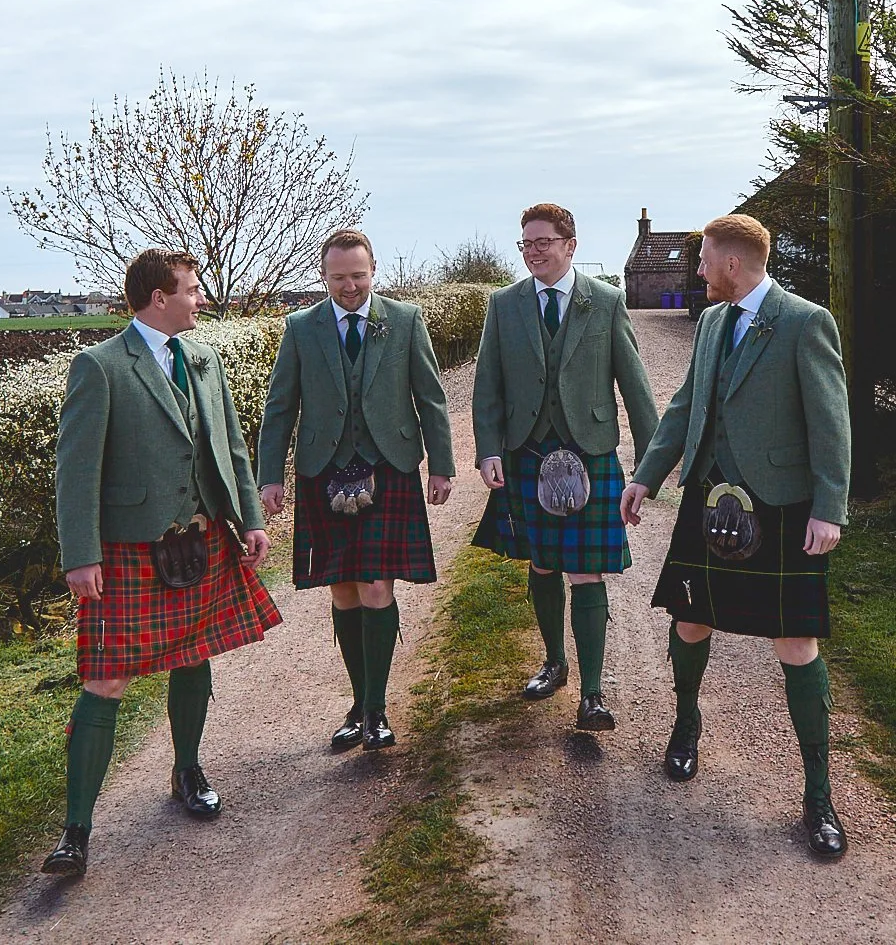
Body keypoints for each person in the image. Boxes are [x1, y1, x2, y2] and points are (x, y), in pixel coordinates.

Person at [621, 214, 854, 857]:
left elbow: (831, 423)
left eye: (702, 261)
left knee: (796, 640)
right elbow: (685, 406)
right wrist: (647, 476)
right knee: (690, 619)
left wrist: (828, 508)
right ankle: (686, 720)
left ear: (730, 263)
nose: (696, 271)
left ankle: (818, 793)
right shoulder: (712, 322)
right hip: (707, 494)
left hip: (779, 501)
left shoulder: (805, 322)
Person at [45, 248, 281, 877]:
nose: (201, 297)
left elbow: (229, 442)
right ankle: (76, 832)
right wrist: (80, 556)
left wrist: (249, 519)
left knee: (194, 653)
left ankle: (187, 770)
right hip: (130, 549)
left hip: (200, 537)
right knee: (107, 680)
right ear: (159, 298)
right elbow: (76, 471)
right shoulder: (100, 368)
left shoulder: (202, 357)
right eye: (192, 289)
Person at [257, 228, 455, 752]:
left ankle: (376, 708)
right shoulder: (301, 328)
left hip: (389, 467)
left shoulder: (406, 320)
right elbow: (280, 407)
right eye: (340, 277)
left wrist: (441, 465)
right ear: (324, 275)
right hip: (323, 470)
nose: (350, 286)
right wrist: (270, 475)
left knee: (375, 587)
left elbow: (431, 398)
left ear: (373, 271)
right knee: (342, 589)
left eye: (359, 275)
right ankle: (358, 699)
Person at [470, 203, 657, 729]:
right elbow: (488, 388)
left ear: (570, 245)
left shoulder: (606, 301)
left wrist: (649, 465)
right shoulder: (503, 306)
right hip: (526, 452)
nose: (533, 252)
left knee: (586, 568)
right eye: (525, 243)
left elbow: (635, 385)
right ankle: (554, 663)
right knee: (542, 562)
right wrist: (488, 450)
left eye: (543, 242)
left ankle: (593, 693)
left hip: (590, 450)